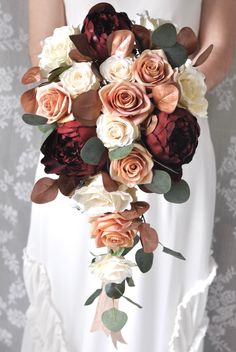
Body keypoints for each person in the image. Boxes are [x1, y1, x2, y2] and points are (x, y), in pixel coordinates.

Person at [21, 1, 236, 352]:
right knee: (69, 291)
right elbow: (41, 45)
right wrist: (99, 98)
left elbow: (220, 51)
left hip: (174, 145)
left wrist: (156, 99)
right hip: (79, 143)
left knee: (157, 304)